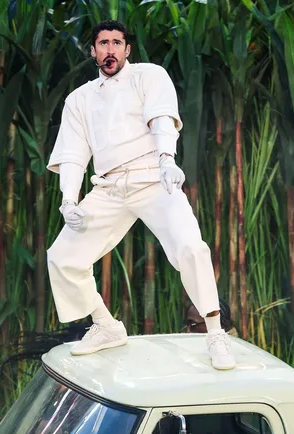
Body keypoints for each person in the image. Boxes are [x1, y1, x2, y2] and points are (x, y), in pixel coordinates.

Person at [46, 19, 235, 370]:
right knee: (61, 256)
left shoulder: (149, 75)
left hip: (154, 178)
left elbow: (161, 118)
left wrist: (167, 160)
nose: (110, 49)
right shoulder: (79, 99)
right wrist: (68, 199)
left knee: (191, 247)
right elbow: (73, 153)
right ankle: (105, 325)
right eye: (103, 43)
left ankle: (215, 333)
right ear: (93, 51)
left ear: (127, 49)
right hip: (109, 188)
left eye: (117, 43)